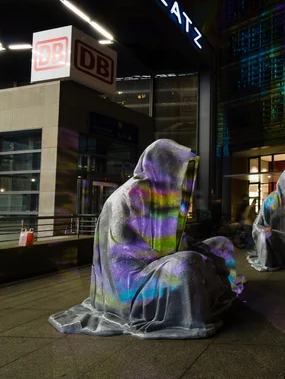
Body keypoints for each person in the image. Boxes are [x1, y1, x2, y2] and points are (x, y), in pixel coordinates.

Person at [48, 139, 244, 339]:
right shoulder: (123, 199)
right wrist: (176, 252)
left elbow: (172, 239)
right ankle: (192, 313)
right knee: (186, 264)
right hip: (132, 280)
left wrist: (193, 246)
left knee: (220, 245)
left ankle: (219, 296)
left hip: (157, 262)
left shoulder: (160, 199)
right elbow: (119, 258)